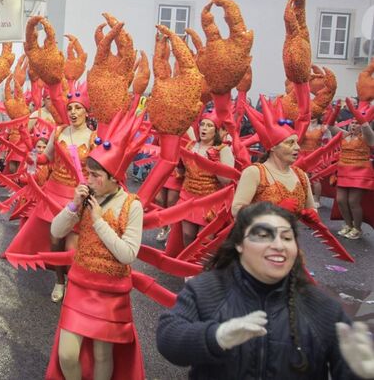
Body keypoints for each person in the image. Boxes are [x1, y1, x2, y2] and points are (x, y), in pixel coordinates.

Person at [157, 202, 357, 379]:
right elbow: (169, 338)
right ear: (239, 244)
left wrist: (361, 373)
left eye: (287, 238)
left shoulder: (319, 306)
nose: (279, 245)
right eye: (263, 236)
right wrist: (215, 337)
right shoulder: (207, 290)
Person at [48, 113, 145, 379]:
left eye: (96, 175)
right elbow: (55, 232)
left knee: (103, 355)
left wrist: (99, 222)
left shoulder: (132, 205)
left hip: (111, 291)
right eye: (88, 174)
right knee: (66, 353)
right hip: (80, 284)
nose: (89, 180)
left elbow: (128, 254)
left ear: (115, 177)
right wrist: (73, 206)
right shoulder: (85, 197)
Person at [4, 81, 95, 302]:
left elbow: (98, 171)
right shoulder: (60, 131)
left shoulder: (94, 137)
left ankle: (72, 284)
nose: (73, 112)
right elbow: (46, 158)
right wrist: (31, 154)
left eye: (78, 108)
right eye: (70, 108)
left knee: (72, 249)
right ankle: (59, 281)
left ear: (86, 111)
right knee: (55, 241)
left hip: (78, 198)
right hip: (54, 194)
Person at [167, 110, 234, 255]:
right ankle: (189, 270)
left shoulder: (223, 150)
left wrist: (215, 163)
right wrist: (178, 164)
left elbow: (227, 181)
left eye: (209, 125)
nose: (204, 128)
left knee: (205, 240)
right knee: (187, 235)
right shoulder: (190, 145)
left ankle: (201, 271)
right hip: (188, 196)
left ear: (216, 131)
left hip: (210, 201)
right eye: (202, 124)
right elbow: (183, 171)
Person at [328, 108, 374, 239]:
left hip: (360, 172)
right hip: (343, 171)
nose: (354, 125)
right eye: (353, 122)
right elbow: (330, 126)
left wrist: (363, 121)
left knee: (353, 201)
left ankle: (357, 228)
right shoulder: (344, 135)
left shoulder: (367, 136)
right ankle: (348, 225)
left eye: (357, 123)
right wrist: (335, 110)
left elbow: (366, 128)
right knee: (341, 200)